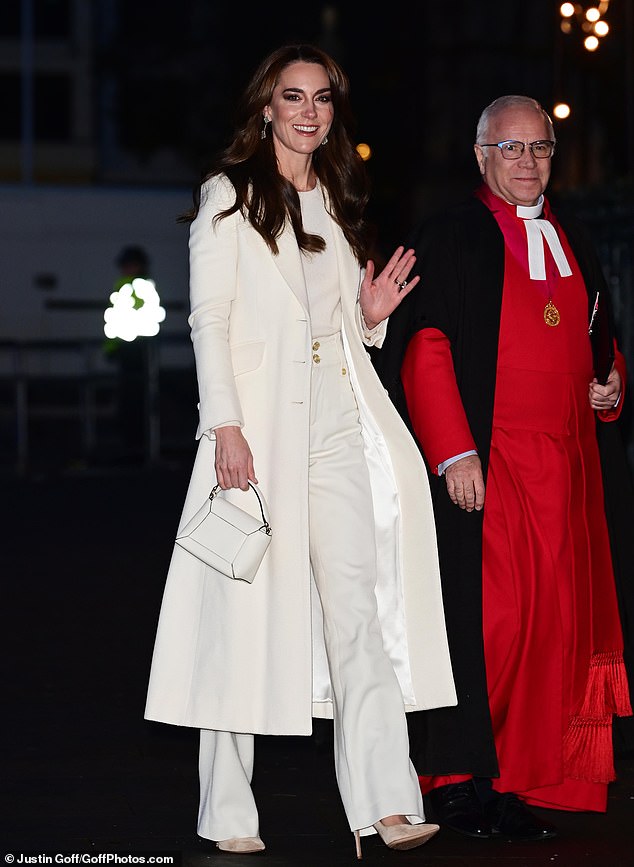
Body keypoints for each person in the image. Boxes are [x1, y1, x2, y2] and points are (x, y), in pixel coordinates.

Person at [144, 43, 456, 858]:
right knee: (244, 617)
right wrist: (227, 428)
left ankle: (388, 802)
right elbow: (209, 320)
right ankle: (228, 809)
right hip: (262, 434)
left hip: (340, 429)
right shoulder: (230, 195)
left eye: (321, 98)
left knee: (360, 613)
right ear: (265, 109)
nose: (309, 111)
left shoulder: (340, 196)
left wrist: (374, 312)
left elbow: (338, 328)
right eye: (293, 97)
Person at [373, 94, 633, 842]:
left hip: (572, 470)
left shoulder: (574, 236)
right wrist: (454, 450)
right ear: (482, 156)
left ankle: (541, 776)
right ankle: (458, 781)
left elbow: (600, 341)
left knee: (562, 627)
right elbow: (426, 348)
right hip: (496, 464)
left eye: (540, 148)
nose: (528, 163)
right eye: (511, 149)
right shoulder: (453, 234)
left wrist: (611, 383)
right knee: (493, 624)